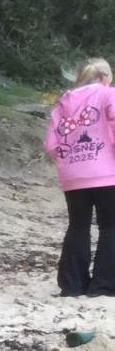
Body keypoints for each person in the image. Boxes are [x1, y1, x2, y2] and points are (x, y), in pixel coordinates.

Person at [45, 58, 115, 297]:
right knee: (111, 227)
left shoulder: (63, 104)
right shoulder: (109, 94)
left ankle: (72, 285)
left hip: (73, 174)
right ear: (105, 78)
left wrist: (68, 160)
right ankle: (103, 285)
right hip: (107, 172)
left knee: (78, 226)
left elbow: (51, 144)